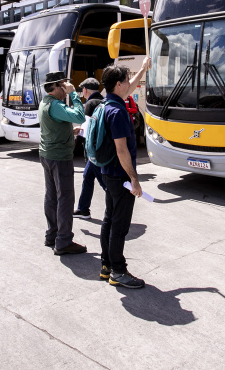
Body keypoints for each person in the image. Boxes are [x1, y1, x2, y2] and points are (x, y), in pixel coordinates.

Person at [99, 59, 151, 288]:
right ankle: (118, 272)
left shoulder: (107, 103)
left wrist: (142, 69)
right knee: (119, 226)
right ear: (118, 84)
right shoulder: (118, 112)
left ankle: (106, 266)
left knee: (109, 220)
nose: (130, 84)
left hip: (107, 172)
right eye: (127, 80)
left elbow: (129, 88)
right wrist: (134, 180)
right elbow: (122, 150)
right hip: (120, 176)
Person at [38, 71, 87, 256]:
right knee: (65, 198)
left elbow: (54, 124)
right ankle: (64, 241)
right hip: (59, 157)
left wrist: (68, 132)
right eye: (64, 85)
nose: (66, 88)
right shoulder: (56, 104)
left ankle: (52, 235)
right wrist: (74, 94)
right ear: (57, 86)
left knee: (51, 196)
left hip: (47, 154)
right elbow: (80, 116)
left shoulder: (45, 102)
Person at [73, 77, 106, 219]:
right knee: (87, 177)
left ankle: (118, 206)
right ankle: (83, 209)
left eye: (82, 90)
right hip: (101, 147)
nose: (82, 92)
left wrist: (76, 137)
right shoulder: (102, 100)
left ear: (85, 90)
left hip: (93, 150)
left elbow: (87, 129)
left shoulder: (90, 103)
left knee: (105, 183)